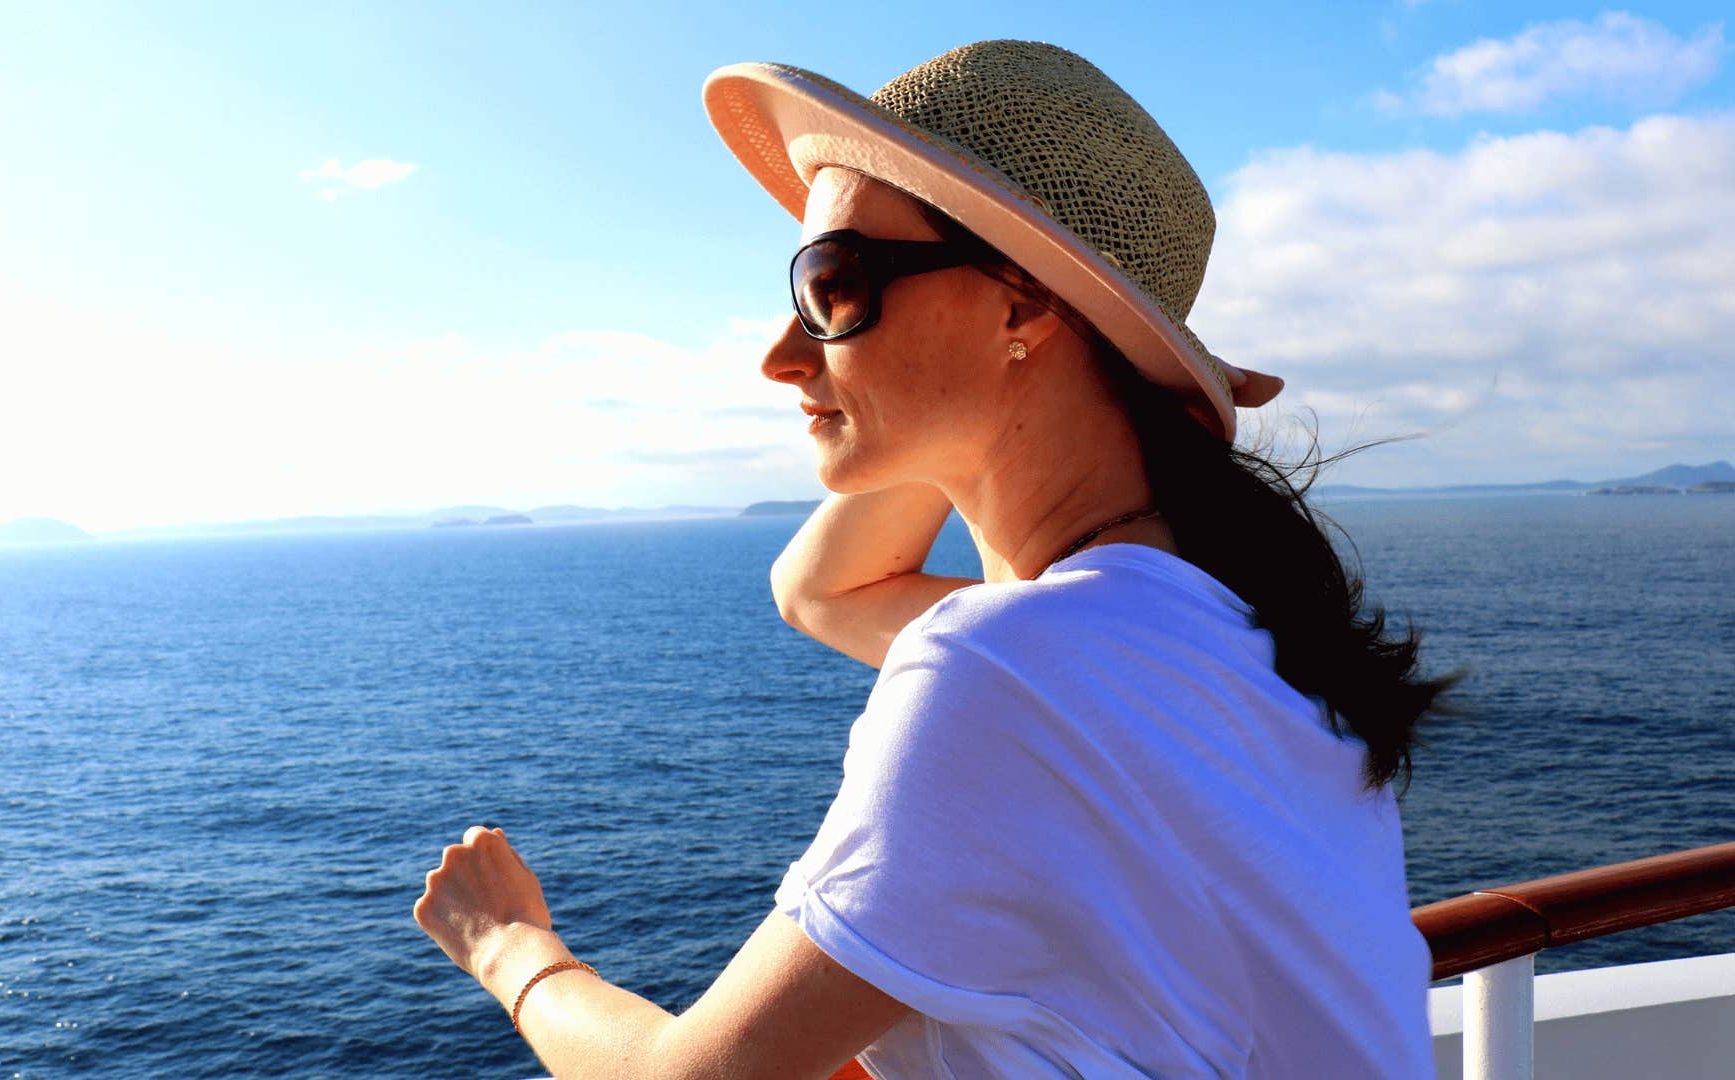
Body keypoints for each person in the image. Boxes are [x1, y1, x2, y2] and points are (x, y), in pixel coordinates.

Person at [413, 39, 1457, 1078]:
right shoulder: (1218, 624)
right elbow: (820, 594)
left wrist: (509, 947)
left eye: (832, 283)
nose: (782, 356)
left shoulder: (1013, 666)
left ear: (1019, 306)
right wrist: (1027, 377)